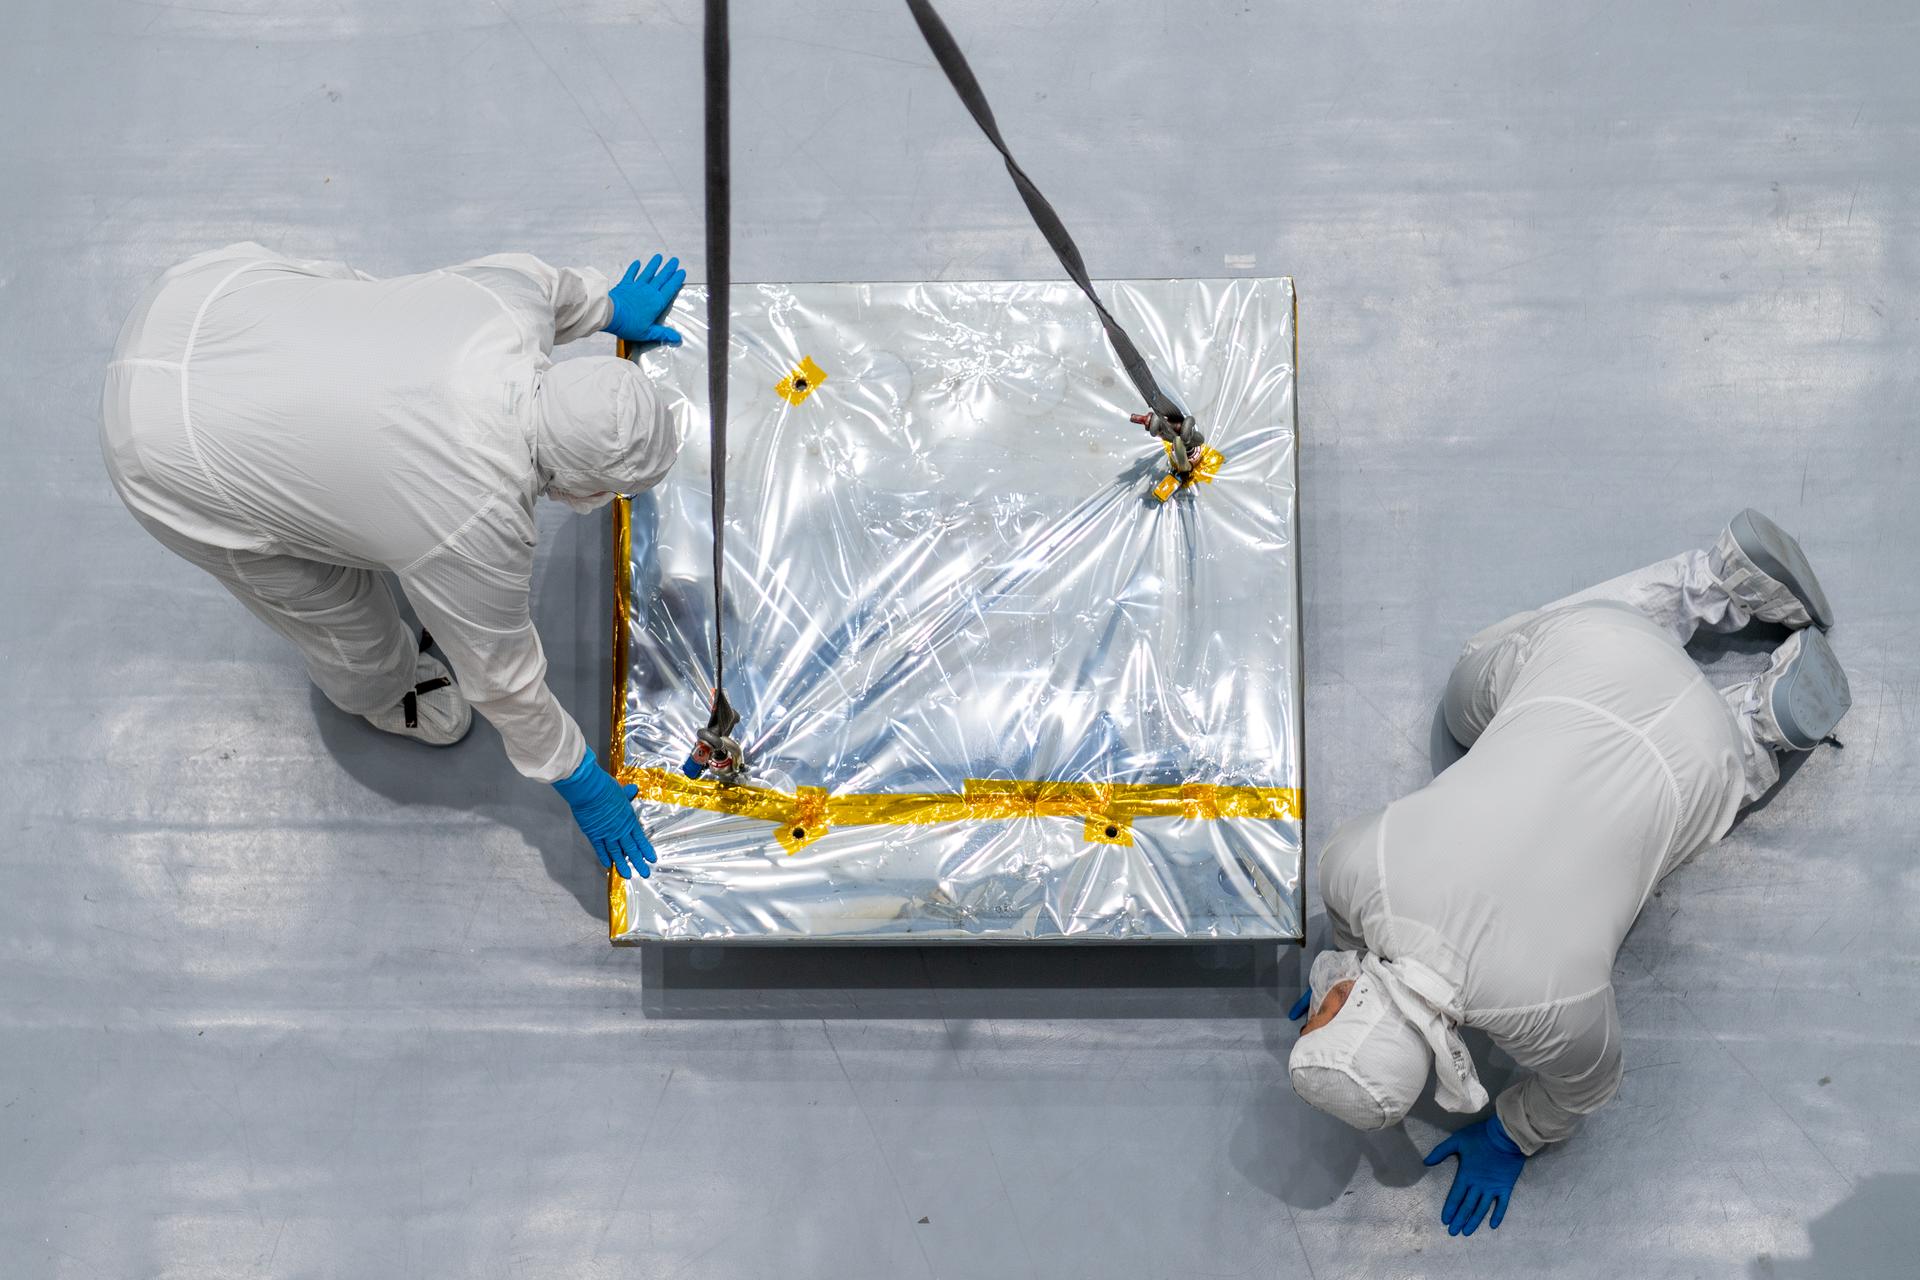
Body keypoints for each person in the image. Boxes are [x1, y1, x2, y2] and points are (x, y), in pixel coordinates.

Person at [1285, 510, 1851, 1237]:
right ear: (1348, 1005)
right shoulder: (1354, 870)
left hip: (1699, 760)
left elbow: (1586, 1087)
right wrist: (1339, 972)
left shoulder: (1556, 1018)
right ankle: (1719, 578)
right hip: (1605, 654)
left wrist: (1506, 1134)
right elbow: (1349, 928)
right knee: (1467, 701)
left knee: (1683, 800)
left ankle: (1762, 726)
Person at [100, 245, 690, 881]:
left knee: (357, 315)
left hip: (203, 299)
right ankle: (386, 692)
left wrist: (606, 307)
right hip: (167, 449)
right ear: (586, 485)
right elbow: (502, 680)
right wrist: (578, 776)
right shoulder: (477, 521)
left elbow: (550, 291)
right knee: (340, 611)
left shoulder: (506, 305)